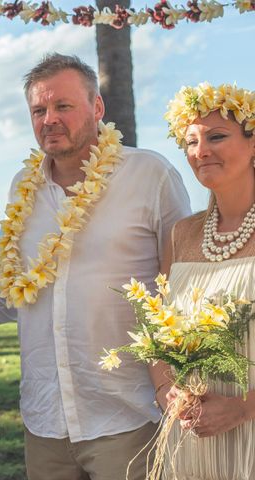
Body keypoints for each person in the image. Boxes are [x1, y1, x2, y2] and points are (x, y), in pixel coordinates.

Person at [0, 53, 191, 479]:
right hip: (45, 419)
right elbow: (14, 292)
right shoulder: (23, 187)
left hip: (128, 412)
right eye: (39, 109)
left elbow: (183, 283)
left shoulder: (150, 174)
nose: (49, 118)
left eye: (63, 106)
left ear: (97, 108)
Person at [150, 82, 255, 479]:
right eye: (191, 141)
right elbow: (158, 331)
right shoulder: (182, 234)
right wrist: (166, 391)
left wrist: (244, 407)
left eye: (216, 136)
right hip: (192, 440)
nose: (201, 151)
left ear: (253, 144)